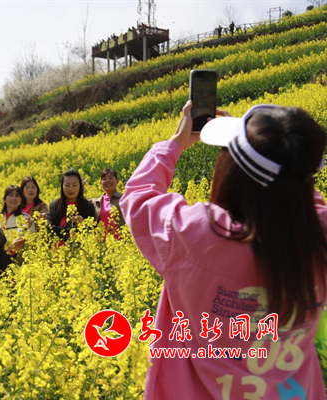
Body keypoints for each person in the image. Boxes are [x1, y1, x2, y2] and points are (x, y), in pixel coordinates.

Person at [121, 101, 327, 399]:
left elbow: (138, 197)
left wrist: (175, 143)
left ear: (230, 173)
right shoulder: (318, 237)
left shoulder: (194, 234)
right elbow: (295, 191)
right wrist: (281, 158)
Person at [47, 168, 96, 240]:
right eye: (67, 185)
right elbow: (49, 228)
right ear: (62, 186)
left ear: (80, 186)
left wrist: (83, 224)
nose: (71, 189)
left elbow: (92, 232)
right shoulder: (54, 205)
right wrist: (69, 234)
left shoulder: (88, 207)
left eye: (74, 185)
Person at [90, 168, 126, 237]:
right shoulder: (96, 202)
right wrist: (80, 188)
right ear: (100, 183)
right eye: (104, 179)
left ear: (117, 180)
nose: (107, 181)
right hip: (101, 242)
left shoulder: (124, 198)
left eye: (110, 178)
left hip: (121, 241)